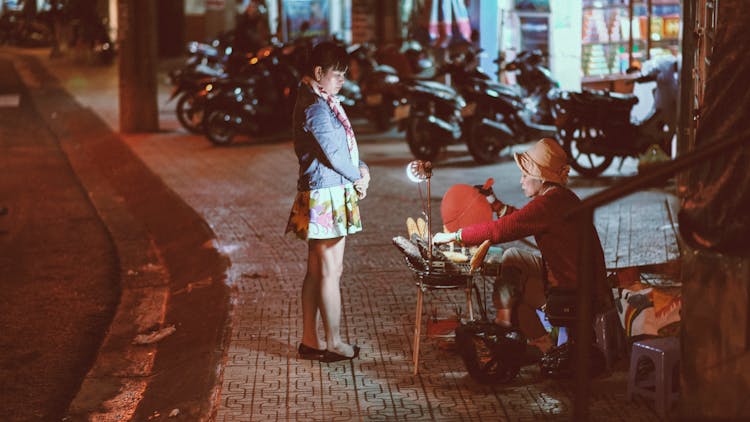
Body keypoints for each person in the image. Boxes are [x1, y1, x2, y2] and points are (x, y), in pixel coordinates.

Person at [433, 138, 611, 354]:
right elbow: (522, 220)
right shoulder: (561, 197)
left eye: (525, 175)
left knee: (514, 292)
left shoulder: (548, 204)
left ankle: (524, 335)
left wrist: (455, 236)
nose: (521, 181)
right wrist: (495, 204)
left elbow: (501, 230)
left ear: (540, 179)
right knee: (513, 258)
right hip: (573, 276)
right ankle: (531, 336)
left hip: (572, 286)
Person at [285, 41, 370, 362]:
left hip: (321, 192)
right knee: (330, 271)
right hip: (327, 194)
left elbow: (338, 152)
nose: (342, 81)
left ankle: (311, 339)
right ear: (319, 72)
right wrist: (359, 175)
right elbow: (335, 154)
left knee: (317, 270)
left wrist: (360, 169)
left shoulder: (316, 98)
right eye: (338, 75)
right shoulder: (316, 107)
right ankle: (333, 342)